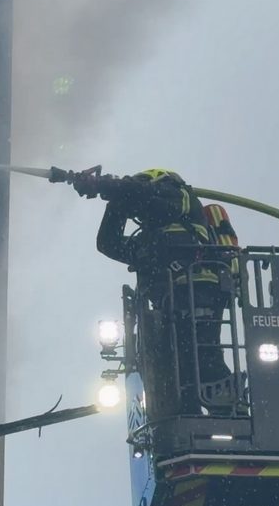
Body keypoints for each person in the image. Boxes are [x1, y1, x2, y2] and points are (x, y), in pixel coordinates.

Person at [71, 168, 232, 413]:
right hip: (168, 304)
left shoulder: (180, 197)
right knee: (175, 371)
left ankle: (232, 411)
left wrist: (108, 186)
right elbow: (108, 243)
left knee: (204, 357)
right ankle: (189, 419)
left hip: (198, 291)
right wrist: (115, 203)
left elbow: (149, 198)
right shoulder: (148, 239)